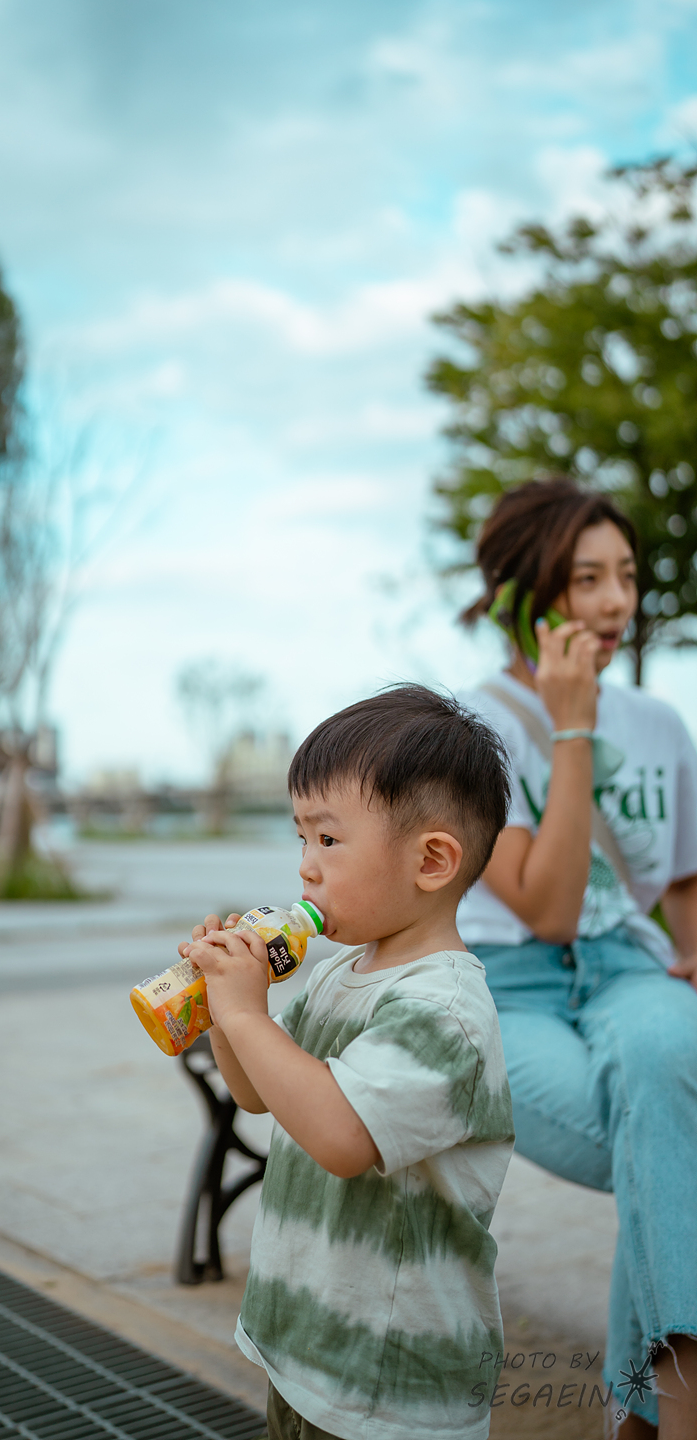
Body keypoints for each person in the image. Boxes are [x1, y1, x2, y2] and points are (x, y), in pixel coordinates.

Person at [182, 686, 515, 1440]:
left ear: (431, 860)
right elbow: (258, 1094)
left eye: (328, 840)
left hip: (388, 1384)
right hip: (306, 1346)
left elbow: (341, 1136)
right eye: (301, 839)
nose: (306, 868)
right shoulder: (340, 972)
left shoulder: (445, 1010)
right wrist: (227, 1009)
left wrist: (245, 1013)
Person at [456, 477, 697, 1439]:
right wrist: (569, 724)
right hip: (515, 989)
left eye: (626, 576)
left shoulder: (662, 725)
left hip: (631, 970)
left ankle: (653, 1417)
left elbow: (683, 878)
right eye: (585, 578)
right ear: (520, 592)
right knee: (670, 1147)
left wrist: (692, 953)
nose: (614, 602)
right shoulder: (467, 730)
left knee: (669, 1086)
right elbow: (549, 909)